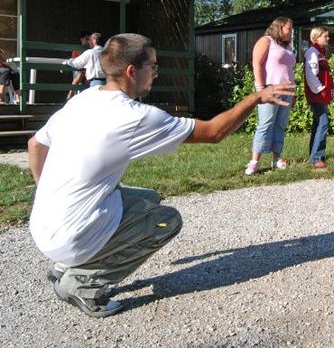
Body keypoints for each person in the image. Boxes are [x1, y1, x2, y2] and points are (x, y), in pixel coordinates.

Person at [28, 33, 294, 318]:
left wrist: (48, 196)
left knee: (149, 199)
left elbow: (35, 144)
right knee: (166, 221)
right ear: (132, 71)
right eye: (153, 66)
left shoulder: (83, 99)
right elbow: (214, 132)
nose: (156, 73)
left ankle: (65, 264)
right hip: (70, 237)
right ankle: (82, 282)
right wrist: (255, 98)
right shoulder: (135, 116)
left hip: (42, 225)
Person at [244, 17, 296, 175]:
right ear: (279, 28)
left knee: (280, 125)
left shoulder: (287, 46)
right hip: (270, 89)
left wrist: (293, 93)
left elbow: (289, 70)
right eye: (288, 28)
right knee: (266, 124)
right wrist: (261, 89)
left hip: (287, 90)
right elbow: (257, 64)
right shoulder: (266, 41)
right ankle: (254, 161)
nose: (291, 31)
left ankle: (277, 158)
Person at [304, 27, 334, 169]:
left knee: (318, 124)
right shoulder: (312, 52)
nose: (328, 38)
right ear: (316, 37)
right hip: (317, 95)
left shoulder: (321, 53)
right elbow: (311, 75)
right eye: (325, 36)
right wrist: (321, 90)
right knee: (323, 123)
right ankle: (317, 158)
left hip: (321, 95)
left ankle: (313, 156)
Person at [66, 30, 91, 100]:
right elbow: (75, 63)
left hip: (87, 71)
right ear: (81, 39)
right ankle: (71, 93)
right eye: (86, 39)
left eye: (89, 39)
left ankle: (71, 94)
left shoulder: (91, 50)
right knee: (80, 74)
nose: (88, 41)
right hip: (79, 71)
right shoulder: (77, 50)